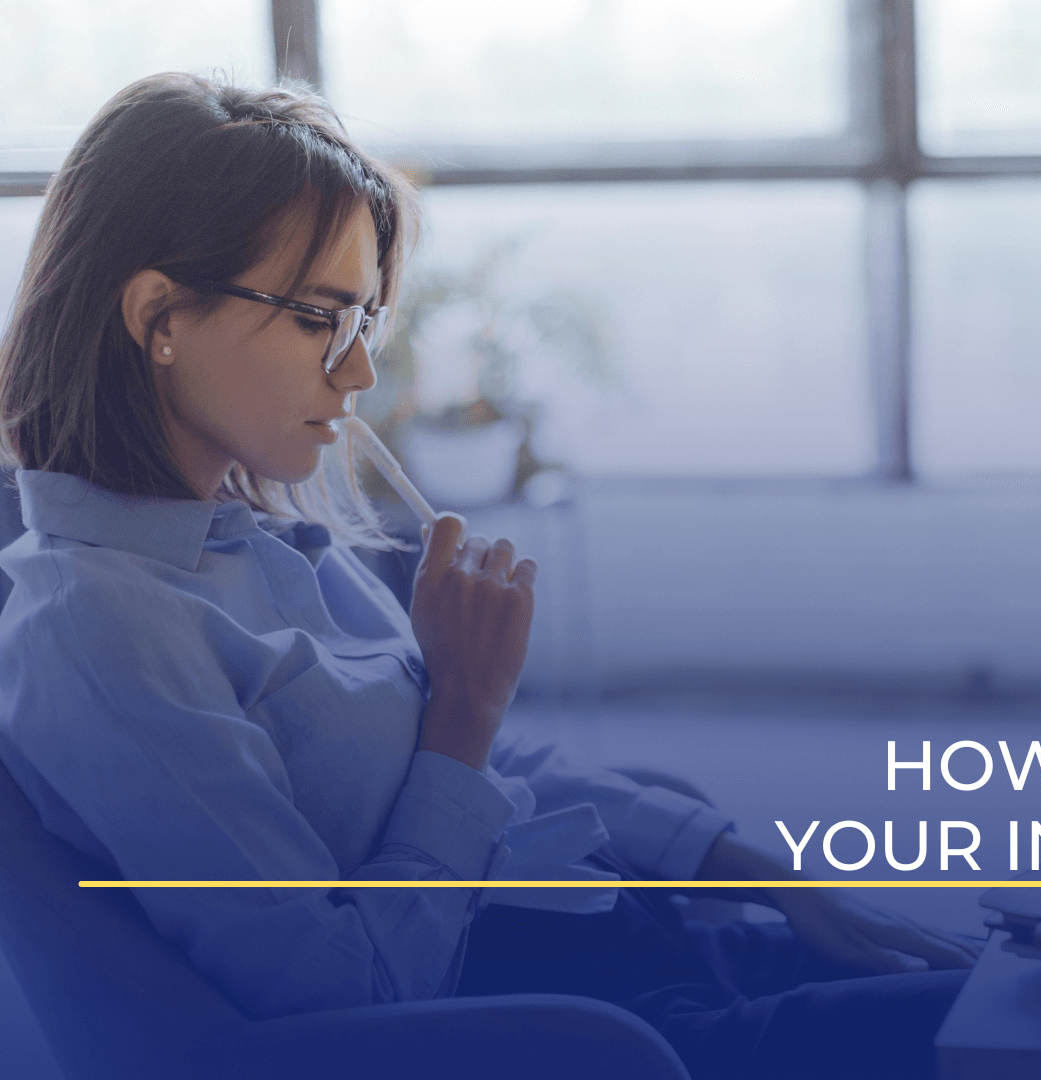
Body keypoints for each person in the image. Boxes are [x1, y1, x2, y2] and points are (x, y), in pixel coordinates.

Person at [0, 73, 974, 1079]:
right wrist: (463, 706)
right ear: (159, 313)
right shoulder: (99, 629)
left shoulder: (259, 536)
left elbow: (493, 783)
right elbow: (349, 988)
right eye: (316, 320)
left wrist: (761, 870)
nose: (359, 374)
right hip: (560, 1029)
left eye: (363, 322)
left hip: (622, 942)